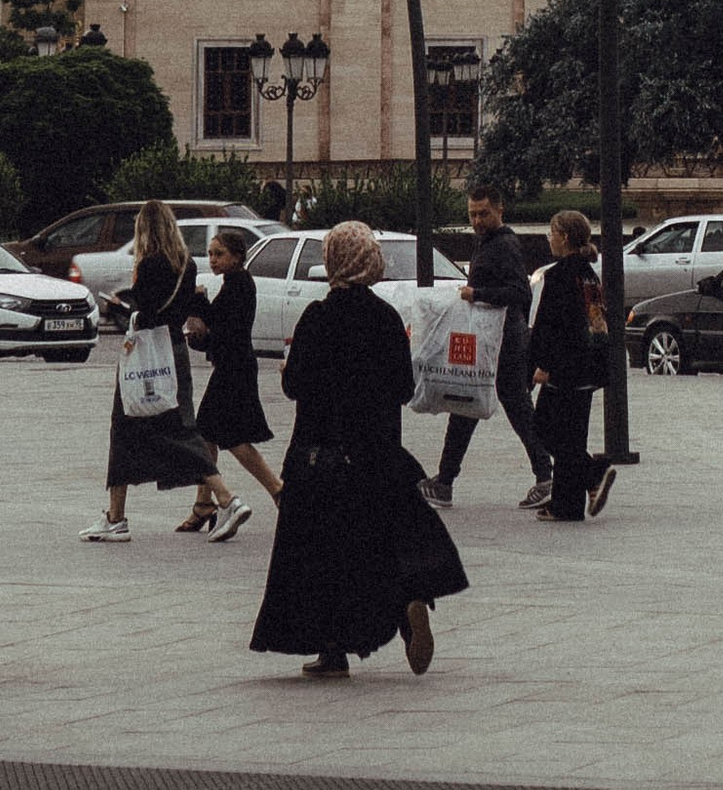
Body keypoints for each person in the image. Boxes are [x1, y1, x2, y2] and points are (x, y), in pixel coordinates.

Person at [251, 220, 469, 676]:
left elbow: (296, 385)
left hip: (321, 452)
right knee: (377, 540)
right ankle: (409, 599)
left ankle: (332, 651)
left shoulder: (317, 317)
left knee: (322, 555)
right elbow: (403, 388)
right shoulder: (386, 319)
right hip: (377, 453)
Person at [85, 199, 242, 543]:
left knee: (130, 426)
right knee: (178, 427)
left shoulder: (149, 264)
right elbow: (177, 310)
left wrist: (120, 308)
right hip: (174, 352)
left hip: (146, 356)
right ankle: (116, 516)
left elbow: (146, 314)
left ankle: (226, 498)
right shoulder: (186, 264)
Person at [427, 185, 549, 509]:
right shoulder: (489, 243)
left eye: (483, 213)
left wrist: (477, 293)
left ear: (499, 210)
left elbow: (520, 293)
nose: (477, 220)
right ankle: (445, 480)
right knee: (473, 406)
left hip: (502, 342)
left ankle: (446, 481)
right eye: (472, 214)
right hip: (491, 340)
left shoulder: (504, 245)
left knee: (497, 407)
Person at [180, 226, 284, 528]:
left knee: (232, 439)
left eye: (219, 254)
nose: (213, 260)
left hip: (235, 370)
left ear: (237, 257)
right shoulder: (233, 282)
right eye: (210, 254)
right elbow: (217, 331)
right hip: (231, 366)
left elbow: (223, 328)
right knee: (208, 435)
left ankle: (277, 490)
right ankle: (203, 503)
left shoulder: (239, 284)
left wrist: (198, 303)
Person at [529, 209, 611, 523]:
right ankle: (567, 504)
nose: (549, 239)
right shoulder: (589, 273)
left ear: (563, 237)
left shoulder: (559, 274)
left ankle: (591, 473)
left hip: (564, 366)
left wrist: (542, 365)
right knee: (571, 435)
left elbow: (551, 325)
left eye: (552, 233)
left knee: (545, 429)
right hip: (589, 364)